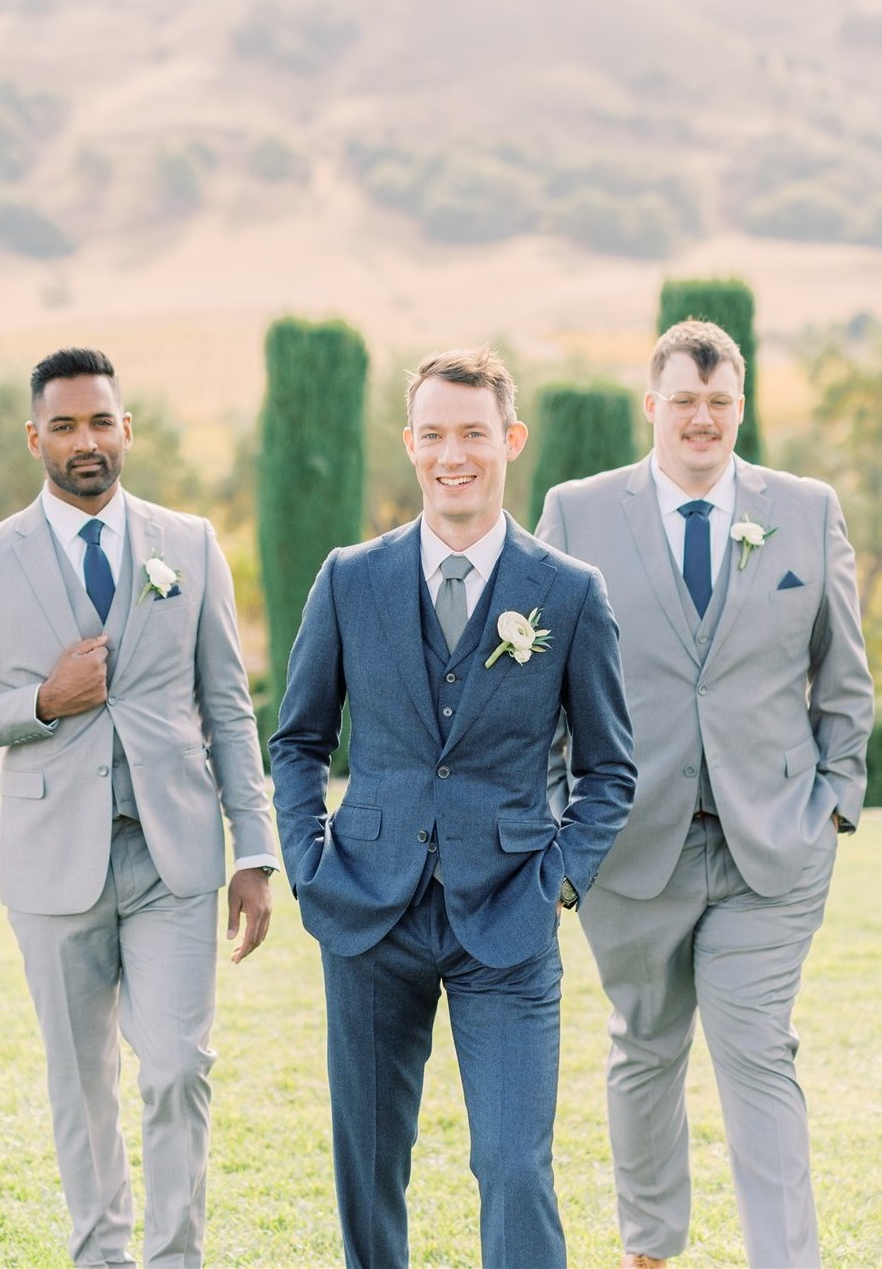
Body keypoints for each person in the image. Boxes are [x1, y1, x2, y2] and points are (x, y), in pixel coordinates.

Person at [0, 347, 279, 1269]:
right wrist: (37, 703)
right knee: (81, 1087)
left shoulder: (188, 545)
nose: (87, 441)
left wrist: (256, 849)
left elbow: (229, 708)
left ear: (128, 429)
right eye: (66, 425)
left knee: (176, 1069)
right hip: (51, 864)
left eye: (102, 421)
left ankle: (173, 1258)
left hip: (175, 858)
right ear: (36, 436)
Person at [269, 347, 636, 1269]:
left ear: (509, 439)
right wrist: (310, 868)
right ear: (409, 443)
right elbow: (298, 742)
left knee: (513, 1165)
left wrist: (556, 882)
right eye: (432, 434)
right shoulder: (348, 578)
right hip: (365, 909)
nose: (452, 454)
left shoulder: (569, 591)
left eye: (473, 432)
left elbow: (610, 772)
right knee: (368, 1162)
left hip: (509, 915)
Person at [536, 319, 874, 1269]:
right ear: (652, 405)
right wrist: (566, 820)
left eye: (719, 401)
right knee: (644, 1047)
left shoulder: (804, 510)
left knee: (758, 1053)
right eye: (683, 401)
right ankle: (649, 1251)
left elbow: (844, 679)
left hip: (771, 845)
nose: (701, 419)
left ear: (741, 405)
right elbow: (541, 686)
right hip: (627, 845)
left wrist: (834, 801)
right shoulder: (576, 512)